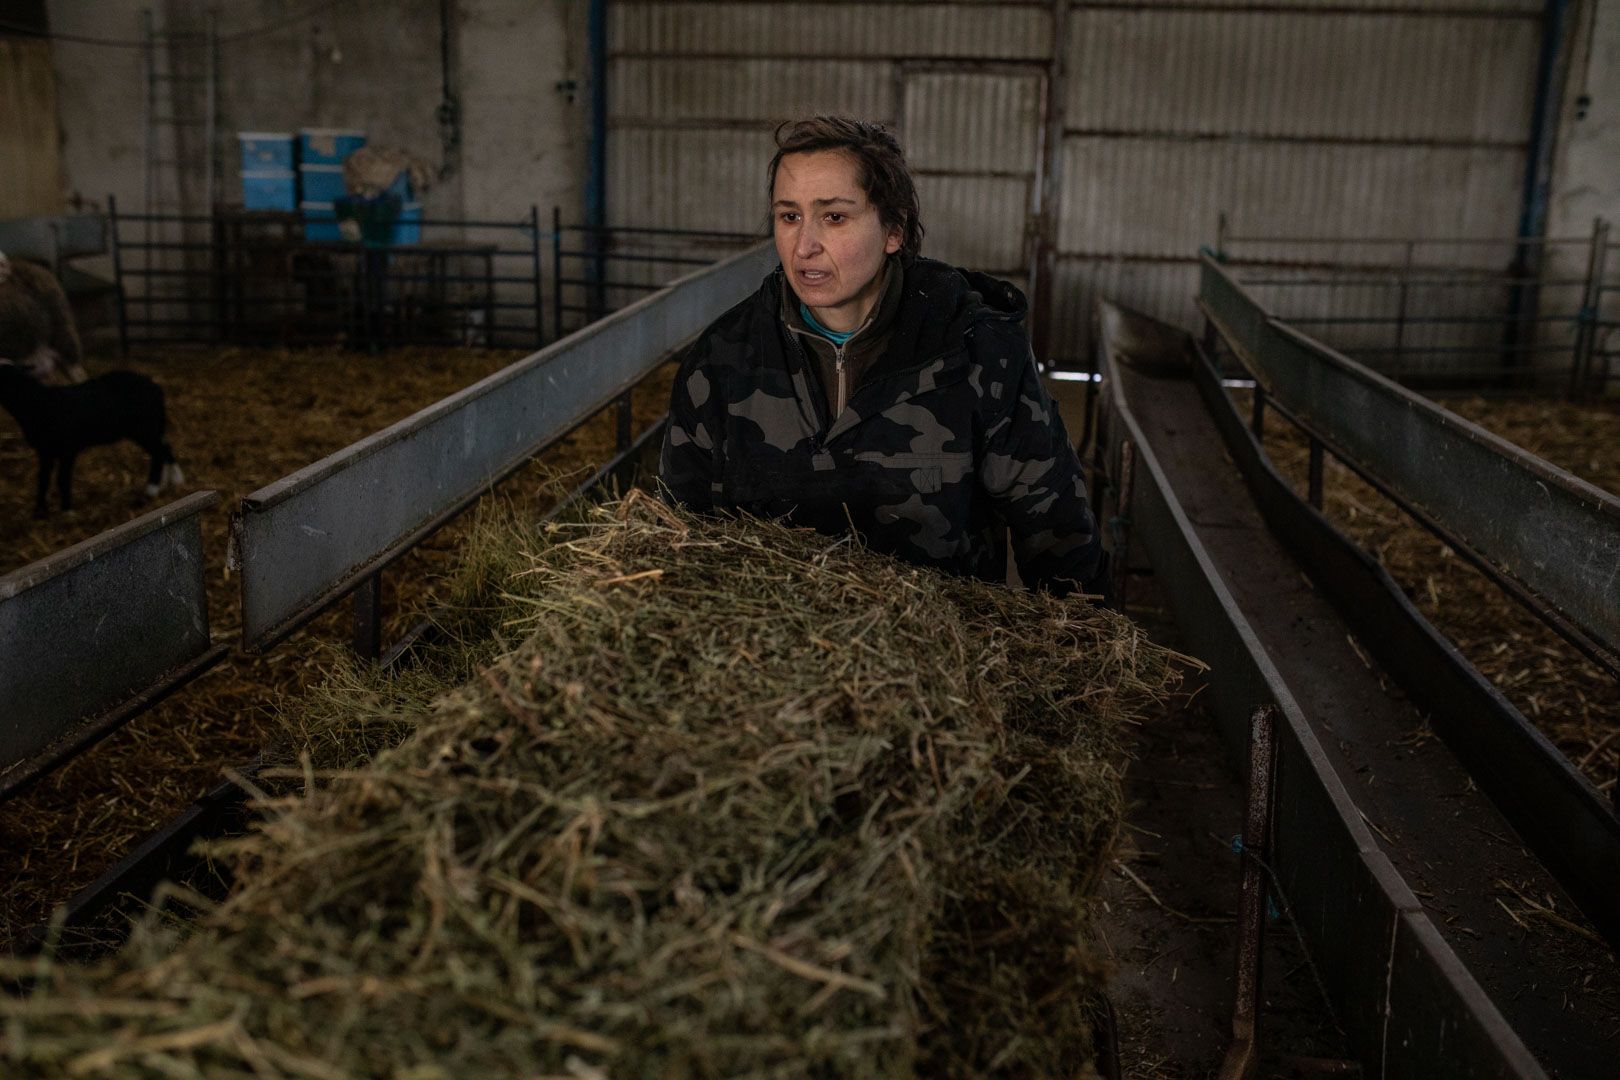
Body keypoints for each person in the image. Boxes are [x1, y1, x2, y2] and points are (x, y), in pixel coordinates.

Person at [659, 116, 1108, 600]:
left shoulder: (976, 352)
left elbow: (1057, 532)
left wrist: (1078, 655)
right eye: (789, 216)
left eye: (834, 217)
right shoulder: (723, 361)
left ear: (892, 230)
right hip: (768, 659)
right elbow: (678, 534)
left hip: (942, 656)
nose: (804, 246)